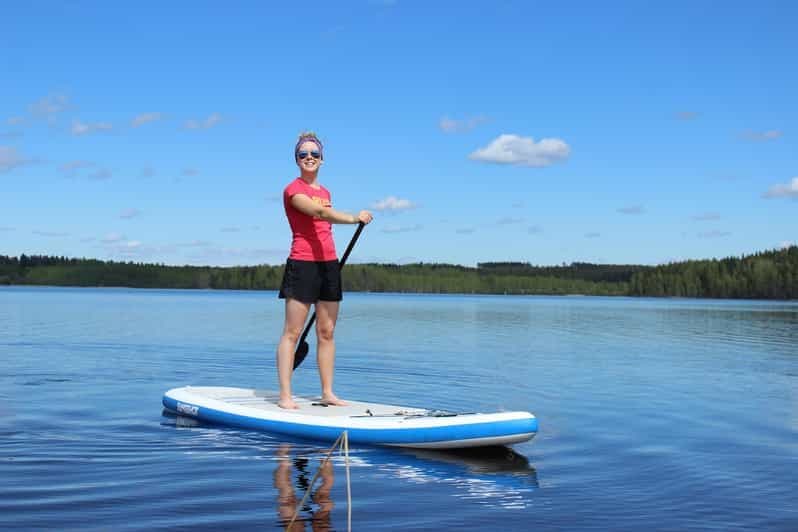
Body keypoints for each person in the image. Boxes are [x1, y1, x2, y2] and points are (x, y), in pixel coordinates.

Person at [276, 132, 373, 410]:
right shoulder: (292, 190)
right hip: (302, 264)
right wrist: (355, 217)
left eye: (314, 154)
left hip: (329, 265)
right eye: (303, 154)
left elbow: (324, 215)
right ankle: (285, 395)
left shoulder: (325, 192)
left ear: (322, 159)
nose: (309, 158)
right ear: (296, 159)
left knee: (327, 331)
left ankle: (327, 393)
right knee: (292, 332)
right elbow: (319, 214)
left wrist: (333, 211)